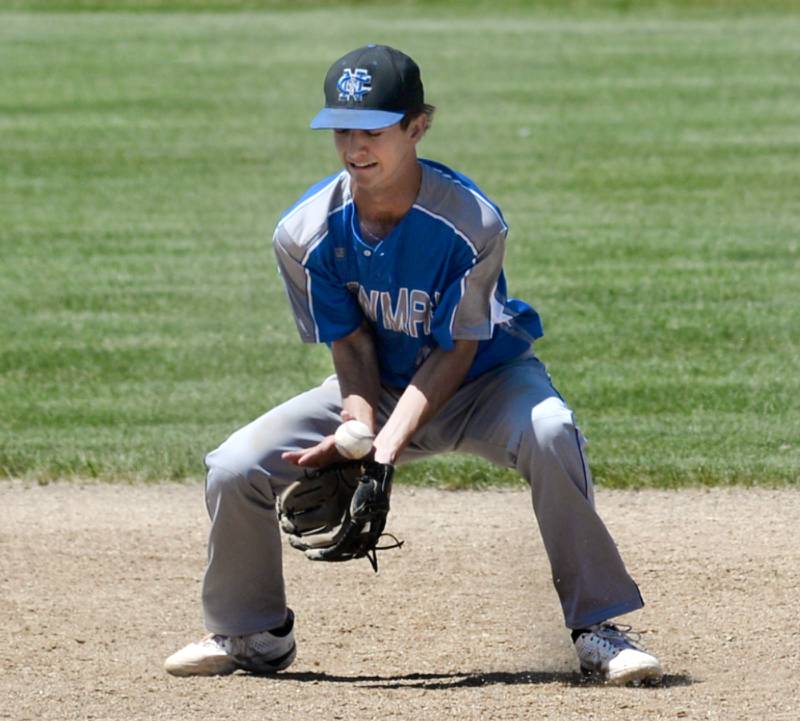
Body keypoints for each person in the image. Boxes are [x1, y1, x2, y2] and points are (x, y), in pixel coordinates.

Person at [164, 44, 663, 686]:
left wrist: (384, 451)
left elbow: (457, 351)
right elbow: (350, 346)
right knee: (234, 466)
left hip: (486, 383)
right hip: (381, 387)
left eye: (373, 129)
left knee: (550, 431)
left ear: (417, 126)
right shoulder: (304, 232)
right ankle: (252, 633)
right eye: (343, 129)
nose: (355, 146)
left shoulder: (472, 223)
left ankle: (598, 626)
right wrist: (360, 427)